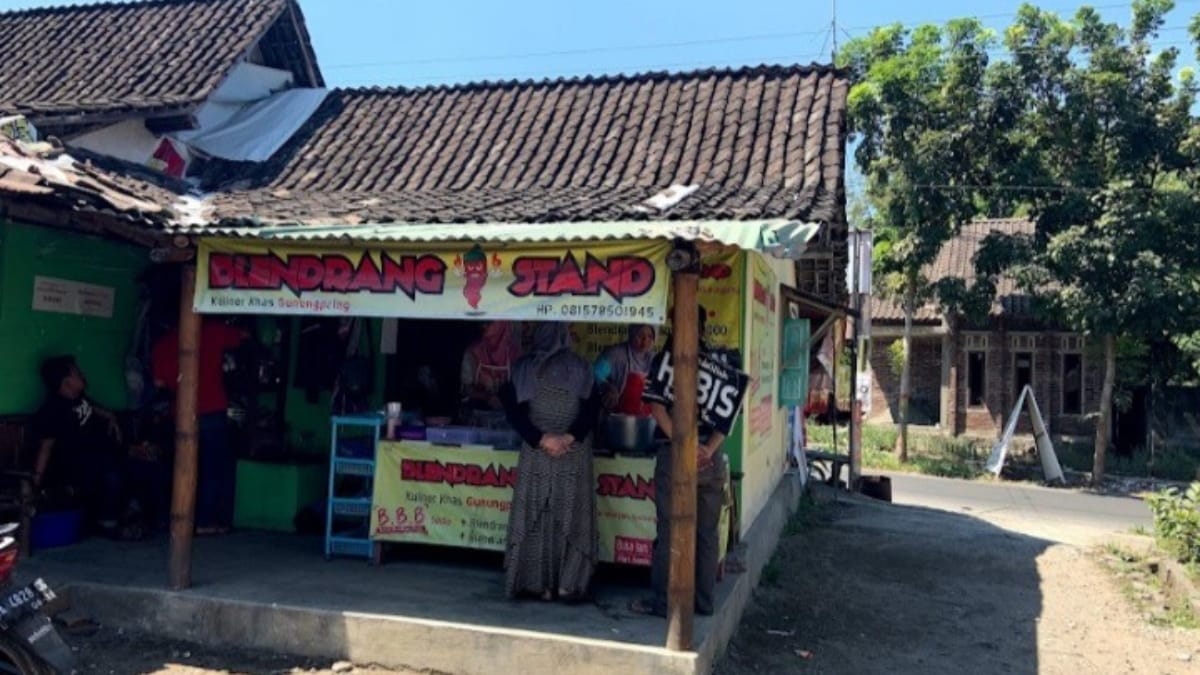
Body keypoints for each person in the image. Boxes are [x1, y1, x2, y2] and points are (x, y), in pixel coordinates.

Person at [632, 306, 734, 617]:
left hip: (674, 457)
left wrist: (683, 444)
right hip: (710, 460)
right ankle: (703, 603)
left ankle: (664, 604)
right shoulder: (721, 364)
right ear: (703, 328)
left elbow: (656, 409)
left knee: (669, 531)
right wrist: (707, 448)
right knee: (706, 534)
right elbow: (728, 416)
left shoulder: (666, 360)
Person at [499, 323, 599, 601]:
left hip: (537, 453)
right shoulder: (582, 367)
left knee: (537, 516)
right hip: (572, 453)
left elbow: (513, 412)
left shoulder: (521, 368)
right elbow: (593, 410)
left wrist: (543, 439)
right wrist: (567, 438)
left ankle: (537, 585)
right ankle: (568, 584)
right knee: (571, 518)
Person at [151, 318, 247, 535]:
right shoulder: (212, 331)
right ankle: (205, 521)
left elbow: (158, 383)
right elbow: (243, 337)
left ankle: (174, 518)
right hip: (212, 410)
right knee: (213, 468)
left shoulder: (164, 344)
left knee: (181, 468)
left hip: (180, 413)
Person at [32, 356, 133, 538]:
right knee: (112, 474)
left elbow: (99, 411)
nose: (83, 376)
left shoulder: (79, 399)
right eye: (77, 374)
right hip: (76, 467)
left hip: (98, 458)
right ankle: (107, 523)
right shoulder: (52, 411)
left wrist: (112, 420)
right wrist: (35, 484)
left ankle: (128, 515)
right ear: (66, 382)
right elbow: (45, 449)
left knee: (140, 464)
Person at [460, 321, 520, 427]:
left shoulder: (514, 354)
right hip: (476, 419)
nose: (484, 326)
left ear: (503, 324)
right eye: (483, 322)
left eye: (490, 322)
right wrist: (486, 397)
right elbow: (464, 389)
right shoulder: (472, 352)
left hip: (508, 421)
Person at [593, 324, 657, 414]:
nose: (645, 340)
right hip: (617, 414)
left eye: (650, 336)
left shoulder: (654, 358)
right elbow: (595, 373)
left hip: (644, 415)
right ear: (631, 335)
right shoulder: (615, 354)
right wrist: (608, 387)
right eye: (640, 335)